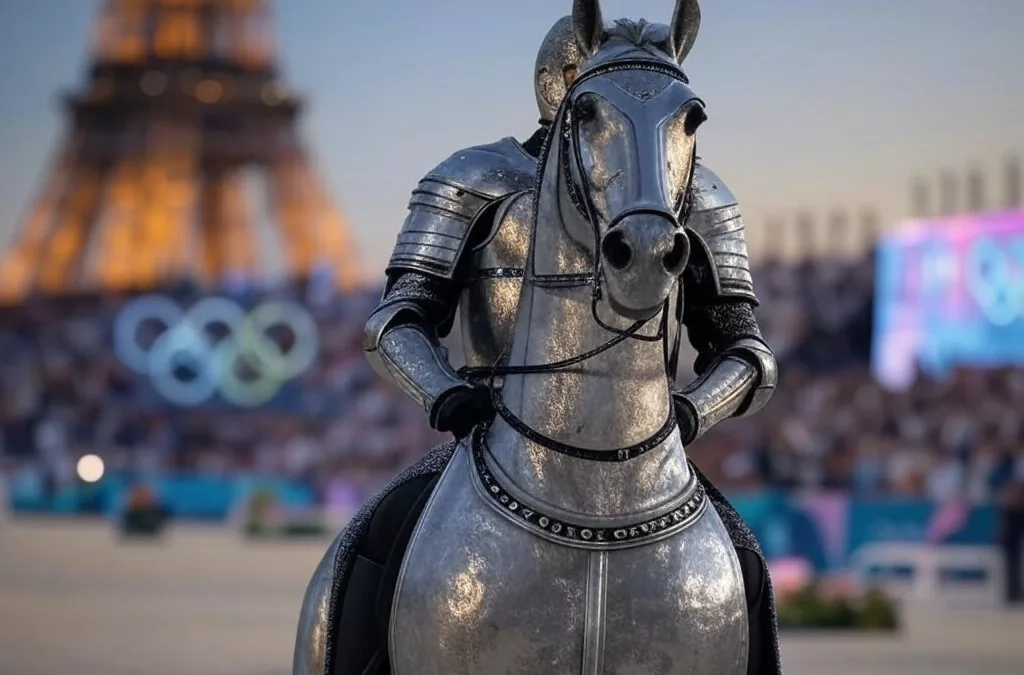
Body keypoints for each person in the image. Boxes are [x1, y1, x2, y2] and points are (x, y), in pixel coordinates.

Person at [296, 10, 781, 675]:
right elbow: (396, 321)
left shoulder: (697, 197)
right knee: (365, 549)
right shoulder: (474, 178)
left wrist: (695, 408)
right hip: (485, 430)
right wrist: (449, 398)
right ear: (566, 86)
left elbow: (746, 351)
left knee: (746, 565)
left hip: (652, 450)